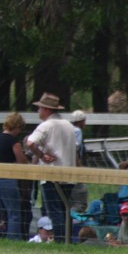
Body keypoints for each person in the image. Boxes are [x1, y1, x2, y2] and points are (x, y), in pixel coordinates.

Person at [26, 92, 77, 243]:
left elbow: (30, 143)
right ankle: (68, 240)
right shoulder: (69, 126)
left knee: (54, 211)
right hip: (69, 174)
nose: (38, 111)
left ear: (47, 110)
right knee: (65, 209)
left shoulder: (46, 126)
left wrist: (41, 156)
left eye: (40, 108)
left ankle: (60, 241)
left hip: (51, 174)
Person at [0, 112, 28, 240]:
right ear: (17, 127)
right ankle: (14, 239)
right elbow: (21, 160)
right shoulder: (13, 141)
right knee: (13, 213)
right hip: (6, 180)